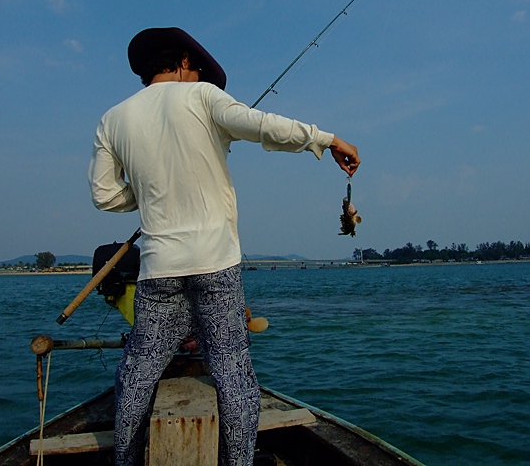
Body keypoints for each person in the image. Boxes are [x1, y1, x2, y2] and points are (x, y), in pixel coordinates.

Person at [89, 27, 360, 466]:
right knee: (233, 370)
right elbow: (263, 126)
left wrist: (151, 190)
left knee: (139, 369)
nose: (198, 76)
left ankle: (124, 459)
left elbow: (104, 195)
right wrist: (326, 139)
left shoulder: (112, 119)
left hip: (158, 267)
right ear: (180, 62)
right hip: (215, 263)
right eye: (195, 68)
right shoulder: (202, 98)